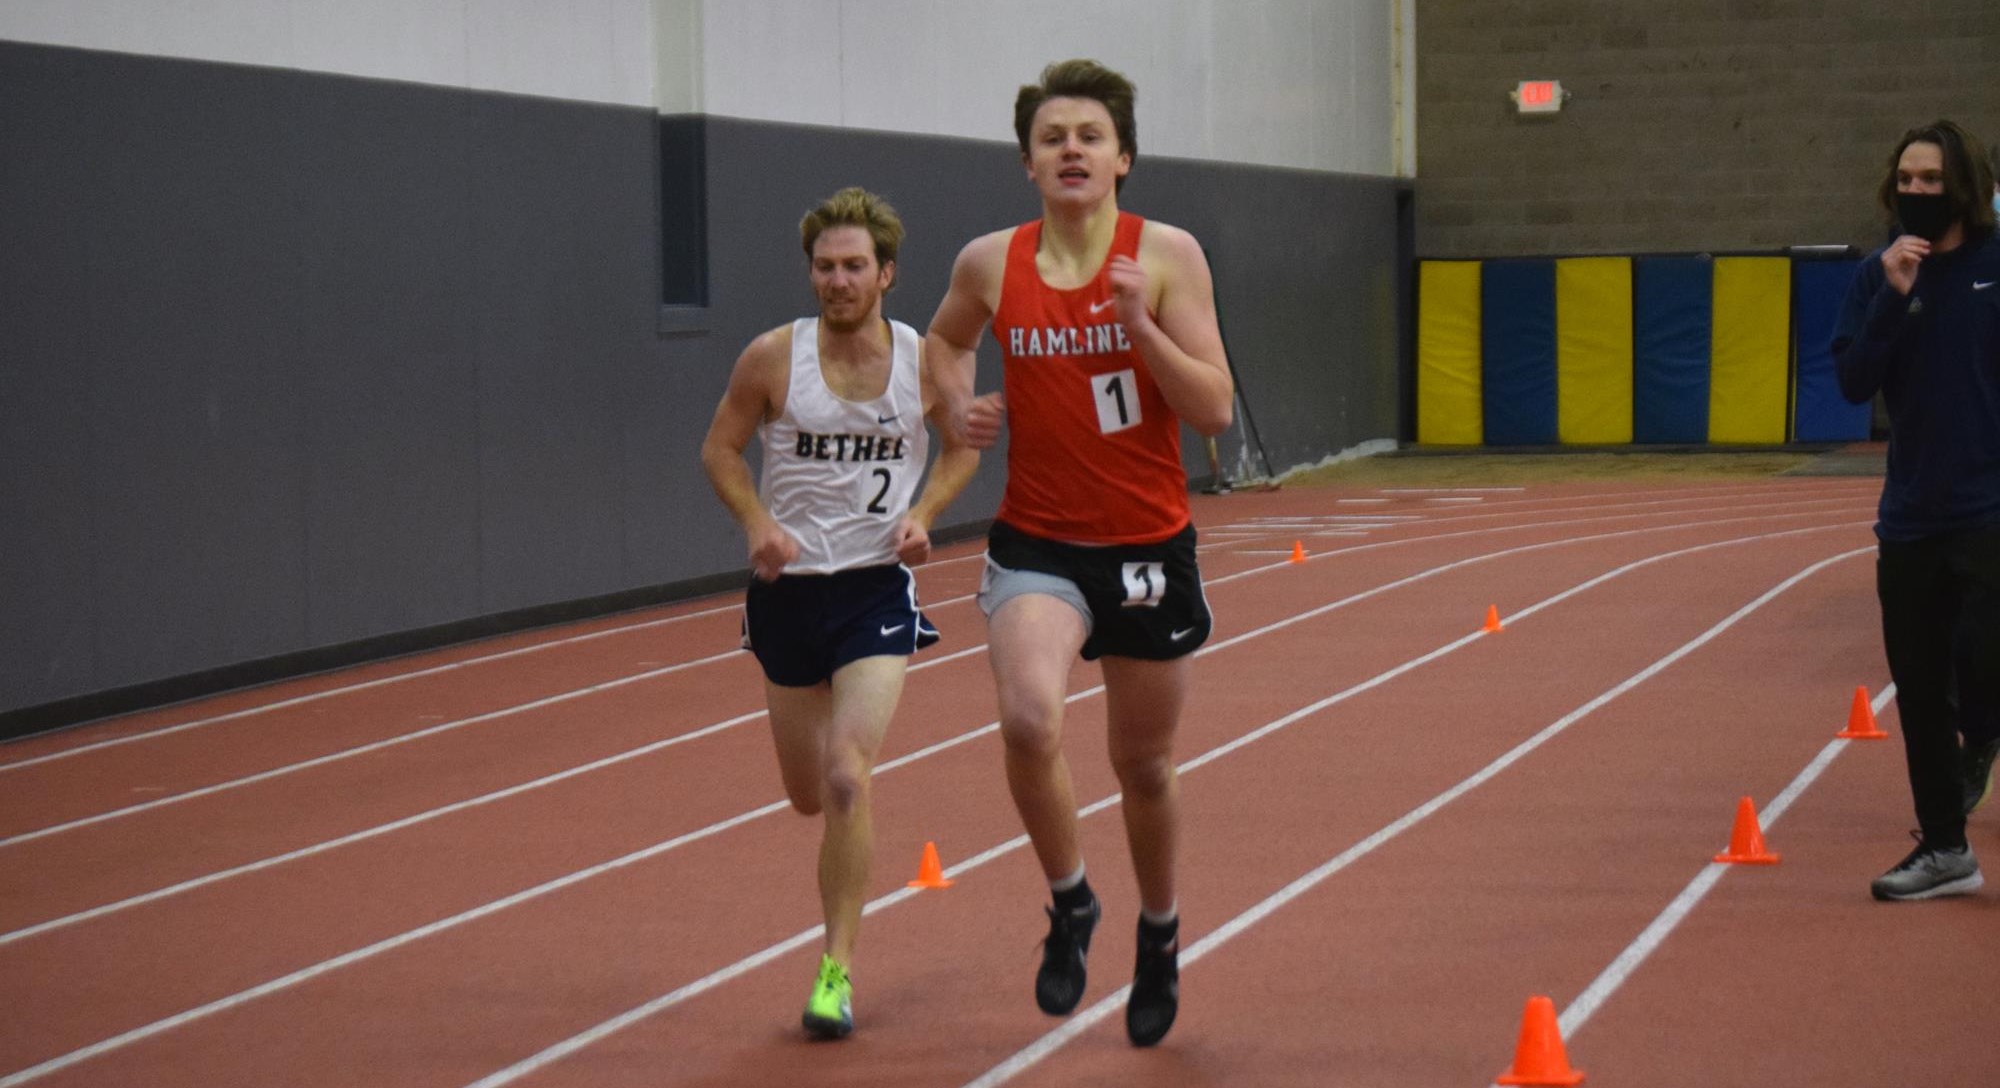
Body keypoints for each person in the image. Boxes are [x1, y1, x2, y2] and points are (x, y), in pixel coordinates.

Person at [925, 58, 1235, 1046]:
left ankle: (1157, 929)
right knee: (1026, 718)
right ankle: (1070, 901)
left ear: (1121, 159)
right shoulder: (989, 261)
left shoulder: (1168, 255)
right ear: (1027, 161)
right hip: (1038, 541)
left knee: (1140, 763)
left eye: (1088, 135)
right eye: (1052, 135)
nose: (1070, 148)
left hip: (1146, 543)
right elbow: (942, 339)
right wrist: (954, 405)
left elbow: (1214, 409)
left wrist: (1138, 321)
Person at [700, 186, 978, 1037]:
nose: (838, 280)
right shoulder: (771, 359)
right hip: (788, 595)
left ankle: (835, 972)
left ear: (887, 273)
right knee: (805, 797)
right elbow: (720, 449)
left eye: (855, 266)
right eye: (825, 267)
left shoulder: (924, 360)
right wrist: (758, 524)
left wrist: (925, 515)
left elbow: (964, 445)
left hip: (872, 589)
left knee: (848, 776)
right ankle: (833, 903)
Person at [1832, 119, 2000, 901]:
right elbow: (1854, 383)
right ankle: (1945, 850)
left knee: (1982, 658)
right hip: (1911, 516)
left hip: (1990, 507)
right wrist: (1894, 298)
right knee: (1921, 687)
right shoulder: (1880, 275)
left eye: (1932, 179)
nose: (1918, 192)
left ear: (1963, 184)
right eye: (1907, 180)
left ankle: (1985, 732)